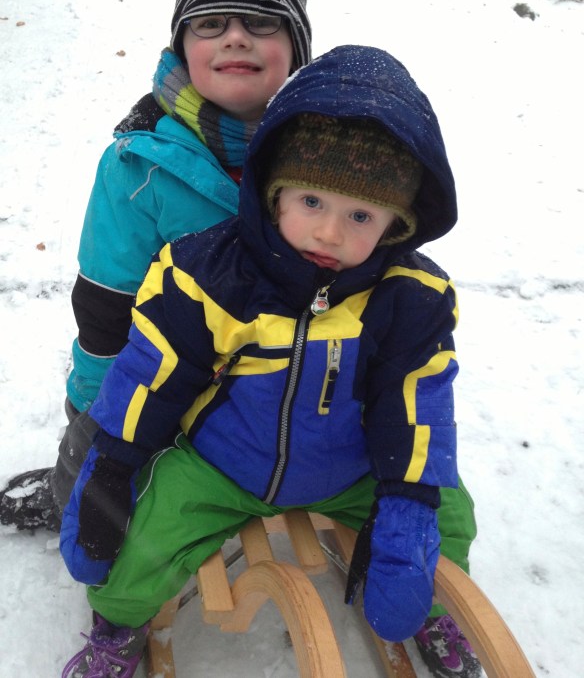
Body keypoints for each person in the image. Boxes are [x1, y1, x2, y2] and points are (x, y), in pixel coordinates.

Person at [59, 44, 481, 678]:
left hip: (354, 469)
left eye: (360, 214)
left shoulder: (409, 298)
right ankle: (119, 623)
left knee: (445, 514)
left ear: (397, 224)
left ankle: (430, 604)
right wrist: (114, 463)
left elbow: (416, 402)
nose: (329, 233)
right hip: (222, 463)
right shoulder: (208, 274)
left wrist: (407, 498)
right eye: (311, 202)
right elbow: (153, 374)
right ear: (274, 193)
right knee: (142, 533)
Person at [0, 0, 312, 532]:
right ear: (182, 43)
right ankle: (69, 498)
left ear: (296, 44)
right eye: (210, 22)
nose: (236, 36)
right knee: (97, 470)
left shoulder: (332, 150)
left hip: (287, 376)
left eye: (261, 19)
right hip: (163, 376)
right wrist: (94, 407)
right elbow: (106, 303)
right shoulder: (139, 165)